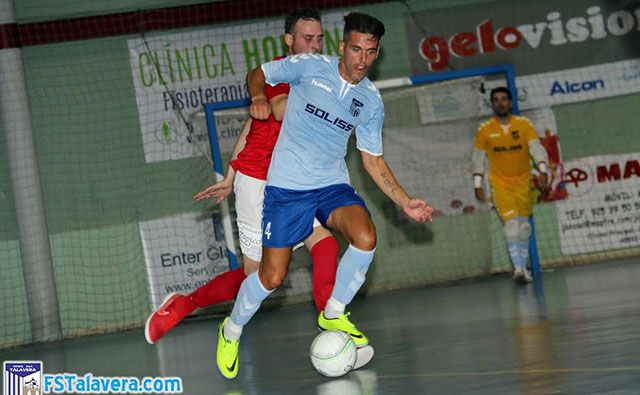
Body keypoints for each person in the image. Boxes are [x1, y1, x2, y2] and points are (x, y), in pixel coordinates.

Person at [216, 12, 435, 379]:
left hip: (331, 184)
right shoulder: (308, 67)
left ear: (377, 53)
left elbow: (372, 160)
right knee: (271, 277)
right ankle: (232, 329)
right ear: (341, 47)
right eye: (355, 49)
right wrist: (257, 95)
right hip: (286, 189)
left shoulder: (370, 101)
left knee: (365, 237)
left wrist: (404, 200)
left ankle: (332, 312)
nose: (361, 60)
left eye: (370, 52)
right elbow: (259, 72)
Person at [144, 8, 340, 346]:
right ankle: (183, 304)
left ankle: (331, 319)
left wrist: (229, 174)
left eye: (319, 39)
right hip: (261, 183)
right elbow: (278, 110)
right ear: (289, 40)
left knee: (325, 243)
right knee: (261, 279)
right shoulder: (285, 72)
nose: (314, 45)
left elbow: (253, 126)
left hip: (292, 181)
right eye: (307, 38)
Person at [472, 87, 548, 284]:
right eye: (496, 100)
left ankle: (524, 270)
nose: (500, 103)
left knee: (524, 229)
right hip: (499, 184)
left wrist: (543, 170)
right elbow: (478, 158)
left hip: (523, 183)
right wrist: (478, 183)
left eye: (504, 99)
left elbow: (536, 148)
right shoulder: (485, 129)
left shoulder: (524, 125)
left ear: (511, 103)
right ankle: (519, 270)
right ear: (492, 104)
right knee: (511, 226)